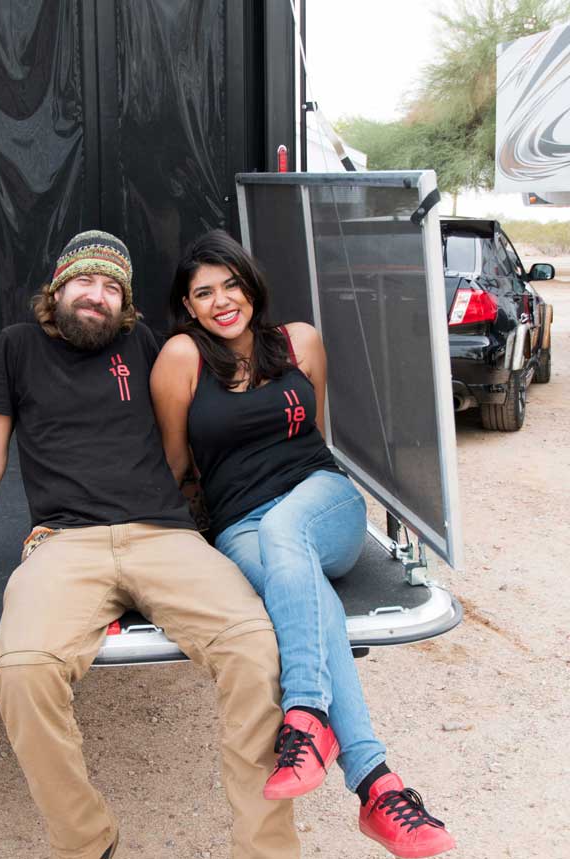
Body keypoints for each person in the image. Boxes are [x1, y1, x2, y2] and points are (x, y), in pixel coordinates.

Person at [0, 230, 299, 859]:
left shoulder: (149, 344)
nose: (96, 295)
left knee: (256, 652)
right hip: (64, 542)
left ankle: (265, 852)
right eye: (84, 281)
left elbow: (205, 417)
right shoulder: (15, 347)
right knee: (24, 673)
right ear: (57, 288)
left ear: (125, 303)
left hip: (164, 534)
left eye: (111, 287)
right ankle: (86, 839)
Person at [150, 229, 456, 859]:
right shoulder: (181, 357)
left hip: (322, 502)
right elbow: (175, 463)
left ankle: (307, 711)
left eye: (231, 284)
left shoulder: (300, 341)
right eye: (204, 293)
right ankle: (377, 786)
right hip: (240, 524)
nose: (221, 301)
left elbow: (315, 433)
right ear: (188, 306)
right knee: (309, 598)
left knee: (287, 531)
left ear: (251, 285)